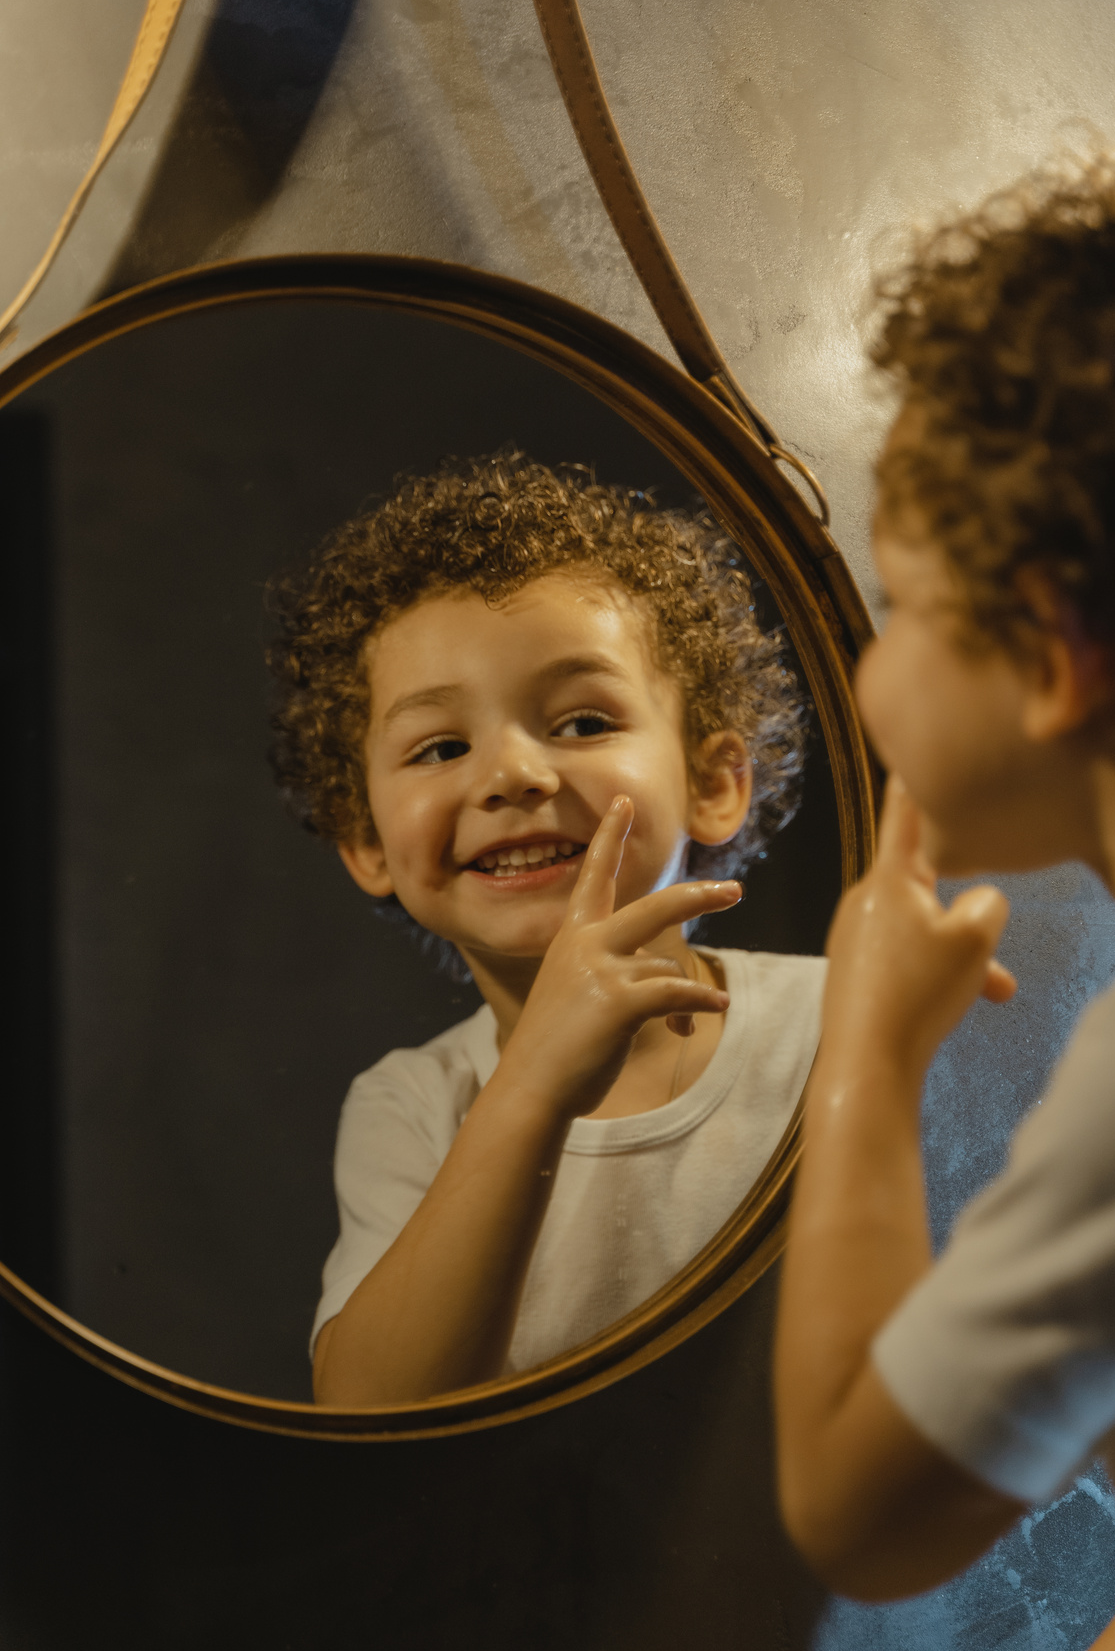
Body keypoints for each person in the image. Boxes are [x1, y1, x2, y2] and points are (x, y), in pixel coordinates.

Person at [773, 149, 1115, 1651]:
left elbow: (859, 1510)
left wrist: (870, 1057)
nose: (869, 671)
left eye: (896, 605)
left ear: (1055, 658)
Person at [267, 452, 825, 1406]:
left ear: (713, 782)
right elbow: (368, 1414)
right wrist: (532, 1082)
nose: (514, 773)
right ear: (365, 839)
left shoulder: (836, 1017)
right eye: (442, 746)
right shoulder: (412, 1108)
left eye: (580, 722)